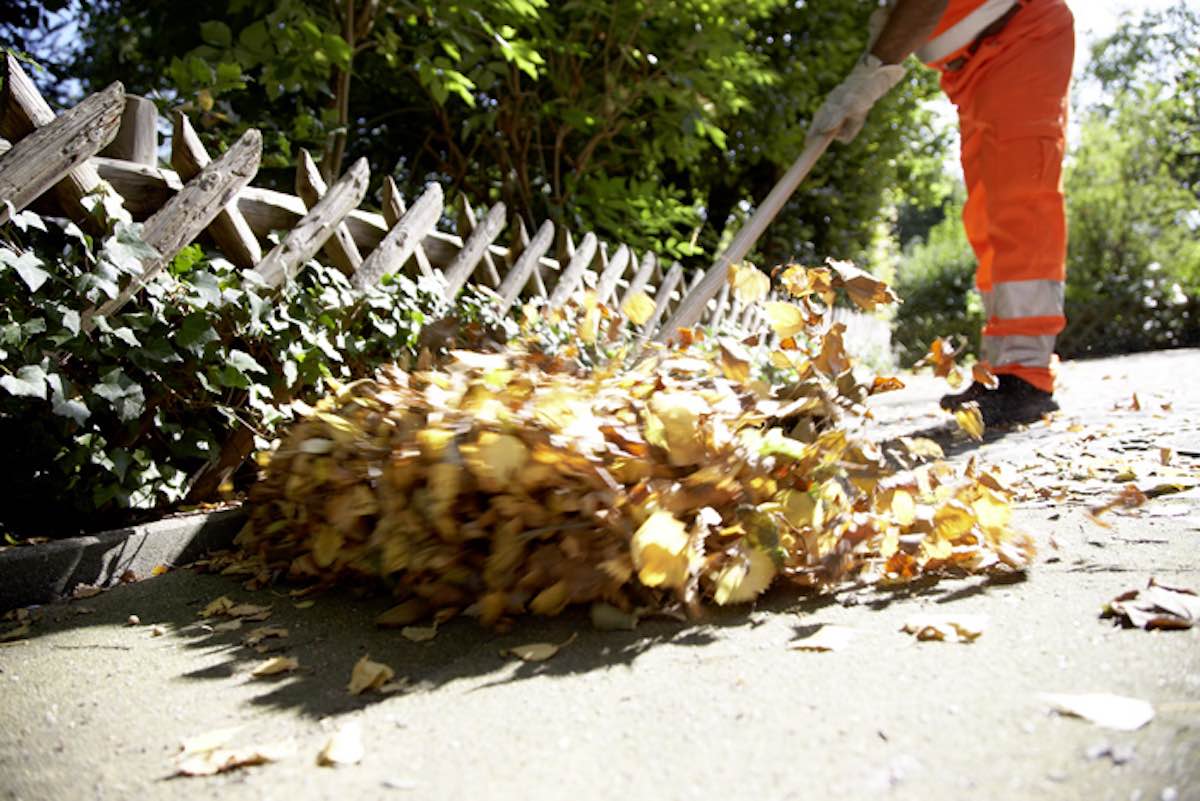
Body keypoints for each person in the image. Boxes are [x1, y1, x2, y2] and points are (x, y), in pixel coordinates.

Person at [808, 0, 1074, 426]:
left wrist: (868, 76)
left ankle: (1026, 377)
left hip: (1022, 34)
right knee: (988, 211)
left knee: (1019, 199)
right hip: (968, 68)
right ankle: (1005, 370)